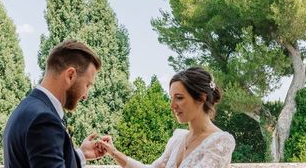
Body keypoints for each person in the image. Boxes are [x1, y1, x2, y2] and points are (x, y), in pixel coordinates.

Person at [99, 67, 235, 168]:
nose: (172, 105)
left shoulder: (220, 141)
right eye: (171, 98)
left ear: (201, 98)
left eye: (179, 98)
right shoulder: (178, 138)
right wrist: (113, 152)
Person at [3, 40, 108, 167]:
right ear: (70, 75)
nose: (85, 95)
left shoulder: (27, 107)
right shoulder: (44, 120)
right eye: (87, 85)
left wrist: (81, 155)